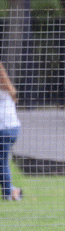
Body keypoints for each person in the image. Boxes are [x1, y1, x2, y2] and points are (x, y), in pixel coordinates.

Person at [0, 62, 22, 201]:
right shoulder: (7, 87)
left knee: (2, 162)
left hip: (4, 130)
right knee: (3, 161)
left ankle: (9, 193)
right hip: (13, 128)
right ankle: (13, 190)